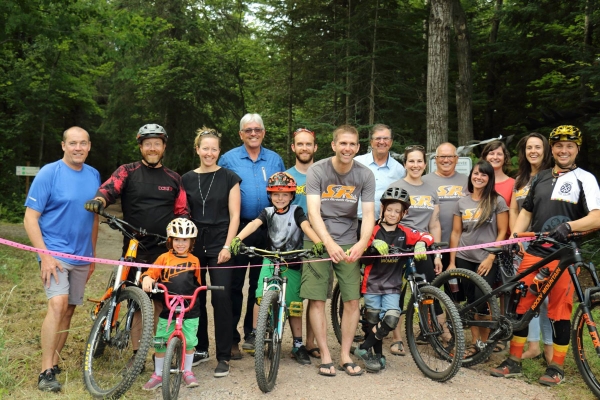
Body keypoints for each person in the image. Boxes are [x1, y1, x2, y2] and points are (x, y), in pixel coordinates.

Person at [491, 125, 600, 386]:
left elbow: (596, 216)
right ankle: (514, 361)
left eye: (569, 146)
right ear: (552, 148)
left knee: (559, 311)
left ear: (577, 149)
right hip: (534, 252)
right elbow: (527, 212)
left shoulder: (585, 178)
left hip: (564, 255)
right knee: (521, 305)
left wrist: (569, 227)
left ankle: (556, 367)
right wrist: (515, 238)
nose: (564, 150)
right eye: (559, 146)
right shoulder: (540, 178)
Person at [84, 123, 188, 362]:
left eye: (157, 144)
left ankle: (139, 353)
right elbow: (109, 189)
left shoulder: (174, 178)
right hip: (132, 246)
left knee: (158, 302)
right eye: (148, 144)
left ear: (164, 147)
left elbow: (182, 211)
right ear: (141, 146)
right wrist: (99, 201)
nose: (153, 148)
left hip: (163, 250)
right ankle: (107, 328)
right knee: (127, 294)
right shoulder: (127, 171)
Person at [24, 127, 100, 392]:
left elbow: (94, 218)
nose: (77, 148)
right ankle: (45, 372)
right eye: (72, 143)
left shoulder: (94, 175)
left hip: (81, 255)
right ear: (63, 146)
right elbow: (30, 217)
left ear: (89, 146)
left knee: (69, 309)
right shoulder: (49, 172)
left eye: (82, 143)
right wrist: (44, 255)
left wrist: (92, 256)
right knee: (57, 304)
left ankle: (55, 362)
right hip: (54, 252)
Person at [302, 124, 376, 377]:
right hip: (318, 241)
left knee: (352, 299)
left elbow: (368, 214)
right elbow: (313, 211)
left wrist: (361, 243)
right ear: (333, 145)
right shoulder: (317, 170)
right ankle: (324, 354)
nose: (347, 148)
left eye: (352, 144)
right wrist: (328, 244)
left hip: (349, 239)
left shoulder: (365, 175)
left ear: (358, 147)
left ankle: (345, 354)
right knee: (317, 298)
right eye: (343, 143)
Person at [229, 172, 324, 365]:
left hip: (293, 260)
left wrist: (317, 241)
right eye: (275, 194)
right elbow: (255, 224)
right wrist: (238, 238)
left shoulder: (297, 211)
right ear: (270, 196)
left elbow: (305, 226)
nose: (280, 198)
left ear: (291, 196)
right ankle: (256, 333)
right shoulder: (267, 212)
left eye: (284, 194)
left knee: (294, 304)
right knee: (259, 295)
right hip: (271, 259)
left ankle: (298, 344)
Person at [218, 113, 285, 359]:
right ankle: (232, 338)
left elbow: (284, 193)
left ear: (264, 132)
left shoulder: (275, 159)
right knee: (234, 285)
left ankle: (253, 333)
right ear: (241, 134)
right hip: (240, 229)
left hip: (267, 229)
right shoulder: (229, 159)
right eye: (248, 130)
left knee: (261, 285)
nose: (253, 133)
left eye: (257, 129)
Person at [182, 127, 241, 377]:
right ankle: (201, 347)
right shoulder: (184, 179)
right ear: (197, 149)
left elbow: (235, 215)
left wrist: (228, 246)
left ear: (219, 151)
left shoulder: (230, 177)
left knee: (221, 297)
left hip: (220, 241)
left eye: (214, 149)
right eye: (205, 148)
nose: (209, 152)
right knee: (195, 297)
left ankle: (224, 355)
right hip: (194, 244)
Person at [354, 187, 434, 373]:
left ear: (404, 213)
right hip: (372, 284)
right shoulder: (372, 230)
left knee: (390, 319)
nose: (392, 214)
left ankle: (363, 348)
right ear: (382, 209)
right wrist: (372, 243)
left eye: (397, 211)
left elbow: (427, 235)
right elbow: (362, 245)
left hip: (392, 286)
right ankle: (377, 355)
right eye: (389, 209)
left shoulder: (405, 233)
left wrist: (422, 243)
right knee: (373, 321)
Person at [448, 160, 509, 358]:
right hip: (464, 257)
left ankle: (485, 343)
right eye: (476, 173)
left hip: (486, 259)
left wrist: (491, 257)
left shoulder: (497, 201)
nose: (479, 177)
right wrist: (451, 261)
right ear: (471, 176)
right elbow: (456, 233)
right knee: (472, 301)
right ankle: (476, 344)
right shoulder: (462, 202)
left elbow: (502, 232)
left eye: (484, 175)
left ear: (489, 178)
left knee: (483, 300)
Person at [387, 145, 443, 356]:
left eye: (419, 161)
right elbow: (389, 218)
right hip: (400, 244)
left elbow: (435, 223)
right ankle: (397, 337)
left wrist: (436, 253)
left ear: (425, 164)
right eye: (411, 161)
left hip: (424, 246)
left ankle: (434, 331)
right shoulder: (397, 186)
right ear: (405, 164)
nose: (416, 165)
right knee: (397, 291)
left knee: (429, 289)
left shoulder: (431, 189)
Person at [140, 218, 202, 390]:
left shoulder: (195, 260)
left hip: (190, 308)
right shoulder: (163, 258)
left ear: (191, 242)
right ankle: (158, 373)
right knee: (160, 341)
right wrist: (146, 279)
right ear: (170, 240)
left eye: (184, 240)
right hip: (169, 307)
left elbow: (197, 282)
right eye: (176, 239)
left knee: (189, 342)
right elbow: (151, 273)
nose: (180, 243)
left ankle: (187, 371)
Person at [509, 133, 553, 362]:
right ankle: (533, 345)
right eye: (529, 147)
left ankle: (549, 347)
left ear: (545, 149)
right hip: (523, 244)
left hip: (546, 241)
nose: (533, 151)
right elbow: (515, 210)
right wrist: (514, 238)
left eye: (537, 147)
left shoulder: (552, 177)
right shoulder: (520, 179)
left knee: (547, 297)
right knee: (528, 295)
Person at [285, 128, 322, 359]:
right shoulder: (287, 177)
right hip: (293, 242)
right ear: (293, 148)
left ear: (315, 147)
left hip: (318, 240)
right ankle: (297, 344)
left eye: (309, 144)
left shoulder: (324, 174)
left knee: (316, 295)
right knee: (296, 294)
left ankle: (311, 342)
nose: (305, 148)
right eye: (300, 144)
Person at [354, 124, 406, 225]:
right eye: (378, 138)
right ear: (371, 142)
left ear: (391, 142)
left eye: (386, 138)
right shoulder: (356, 163)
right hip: (354, 223)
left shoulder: (399, 170)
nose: (382, 142)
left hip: (382, 225)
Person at [481, 141, 515, 209]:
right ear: (485, 157)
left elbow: (514, 212)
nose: (495, 157)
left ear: (505, 158)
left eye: (499, 154)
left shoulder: (513, 184)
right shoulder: (477, 181)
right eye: (491, 153)